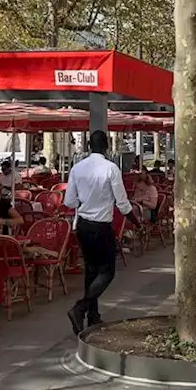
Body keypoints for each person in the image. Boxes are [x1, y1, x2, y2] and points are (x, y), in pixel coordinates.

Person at [63, 129, 139, 335]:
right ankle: (82, 307)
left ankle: (92, 316)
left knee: (91, 270)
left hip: (83, 226)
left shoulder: (77, 169)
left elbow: (69, 201)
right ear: (106, 146)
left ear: (88, 146)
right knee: (107, 271)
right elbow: (122, 202)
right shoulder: (111, 169)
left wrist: (85, 200)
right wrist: (135, 221)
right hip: (101, 226)